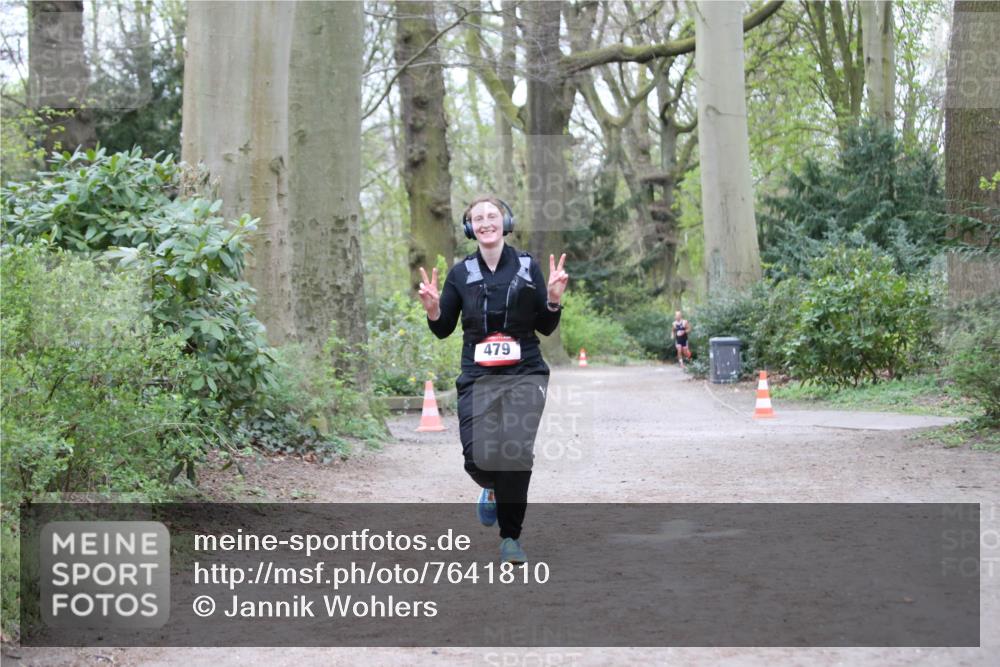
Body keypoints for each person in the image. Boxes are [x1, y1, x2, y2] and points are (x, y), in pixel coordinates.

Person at [416, 194, 568, 564]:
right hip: (478, 376)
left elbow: (546, 326)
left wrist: (552, 299)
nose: (485, 222)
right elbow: (443, 329)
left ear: (505, 222)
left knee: (516, 451)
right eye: (478, 218)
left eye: (492, 216)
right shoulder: (460, 274)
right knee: (477, 458)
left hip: (525, 372)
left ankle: (510, 537)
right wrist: (433, 309)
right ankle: (492, 488)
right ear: (470, 228)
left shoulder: (527, 266)